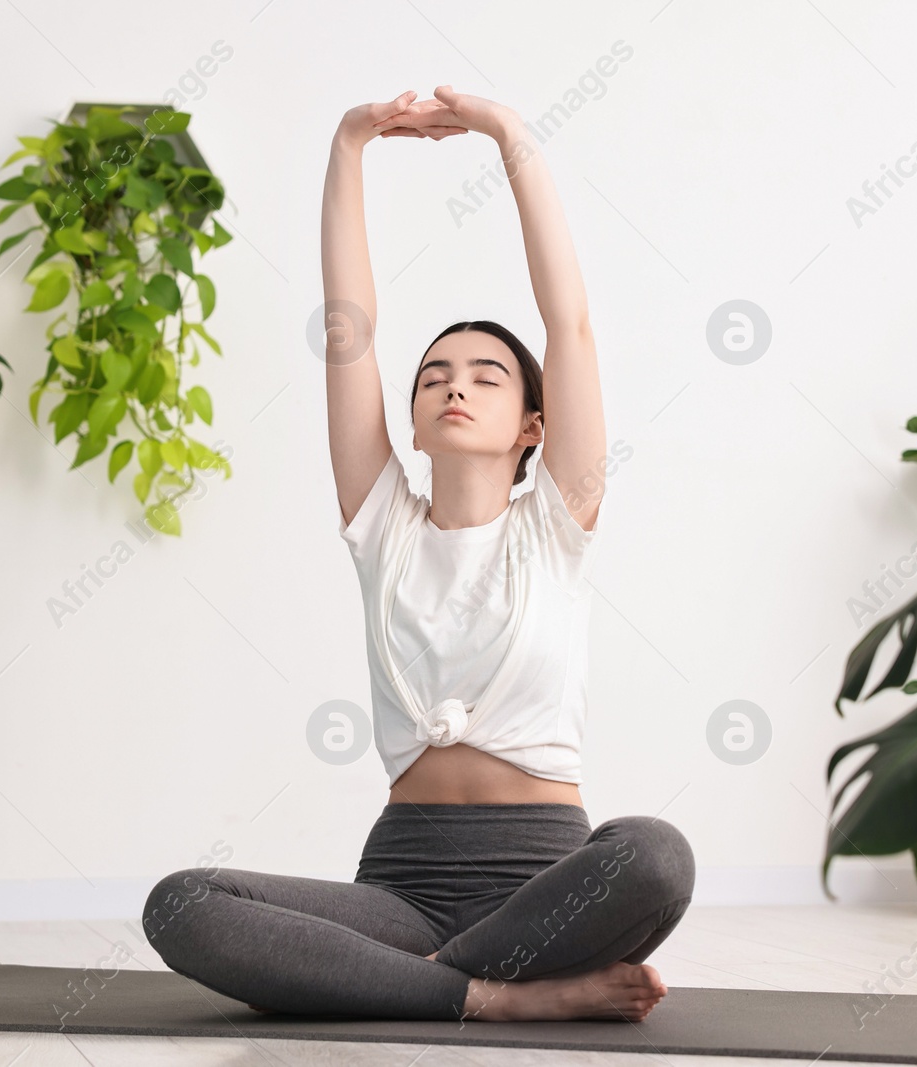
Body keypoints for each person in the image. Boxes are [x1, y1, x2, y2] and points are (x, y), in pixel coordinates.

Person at [144, 86, 695, 1024]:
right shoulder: (383, 524)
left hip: (546, 882)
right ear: (410, 417)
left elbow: (571, 327)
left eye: (487, 376)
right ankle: (488, 993)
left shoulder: (557, 522)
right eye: (434, 375)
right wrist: (349, 144)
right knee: (181, 904)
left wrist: (510, 136)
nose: (454, 386)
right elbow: (347, 328)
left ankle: (397, 982)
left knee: (655, 853)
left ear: (533, 423)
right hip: (399, 884)